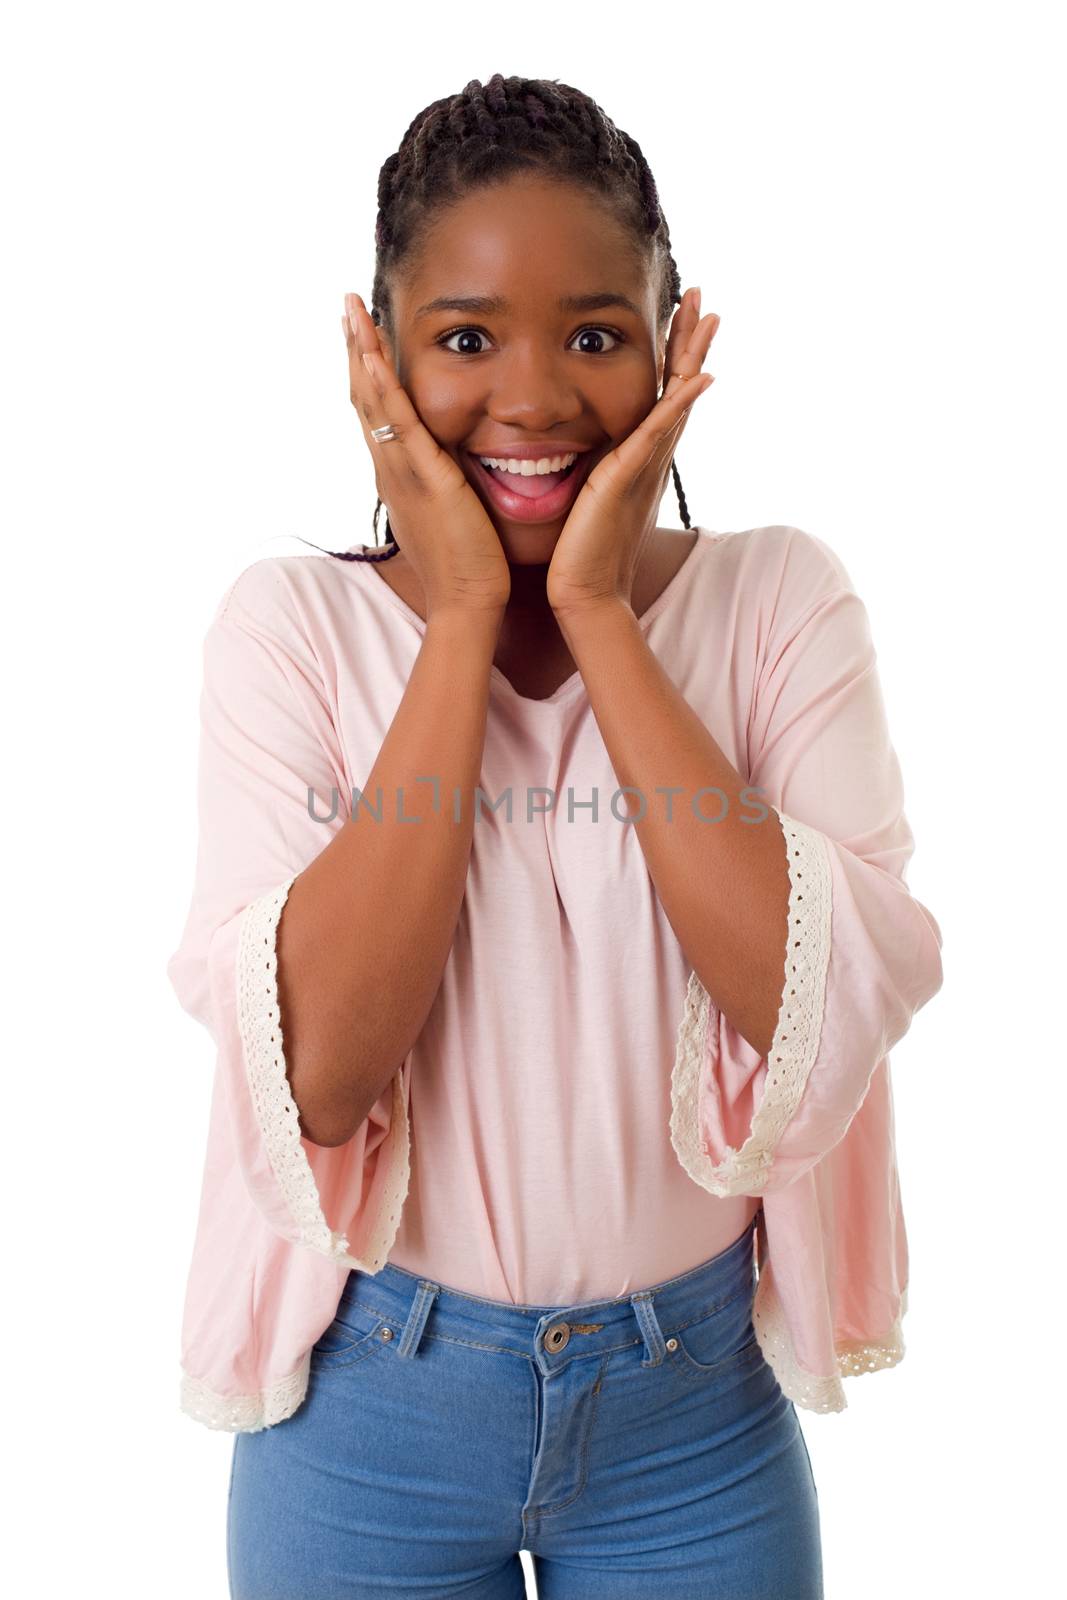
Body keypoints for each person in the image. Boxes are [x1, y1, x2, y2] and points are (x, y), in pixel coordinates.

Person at [166, 72, 945, 1600]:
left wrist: (594, 610)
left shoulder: (781, 605)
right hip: (370, 1415)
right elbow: (319, 1069)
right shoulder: (293, 631)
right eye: (465, 339)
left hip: (693, 1427)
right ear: (375, 355)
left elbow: (810, 1009)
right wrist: (462, 614)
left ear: (674, 342)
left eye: (595, 333)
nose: (532, 398)